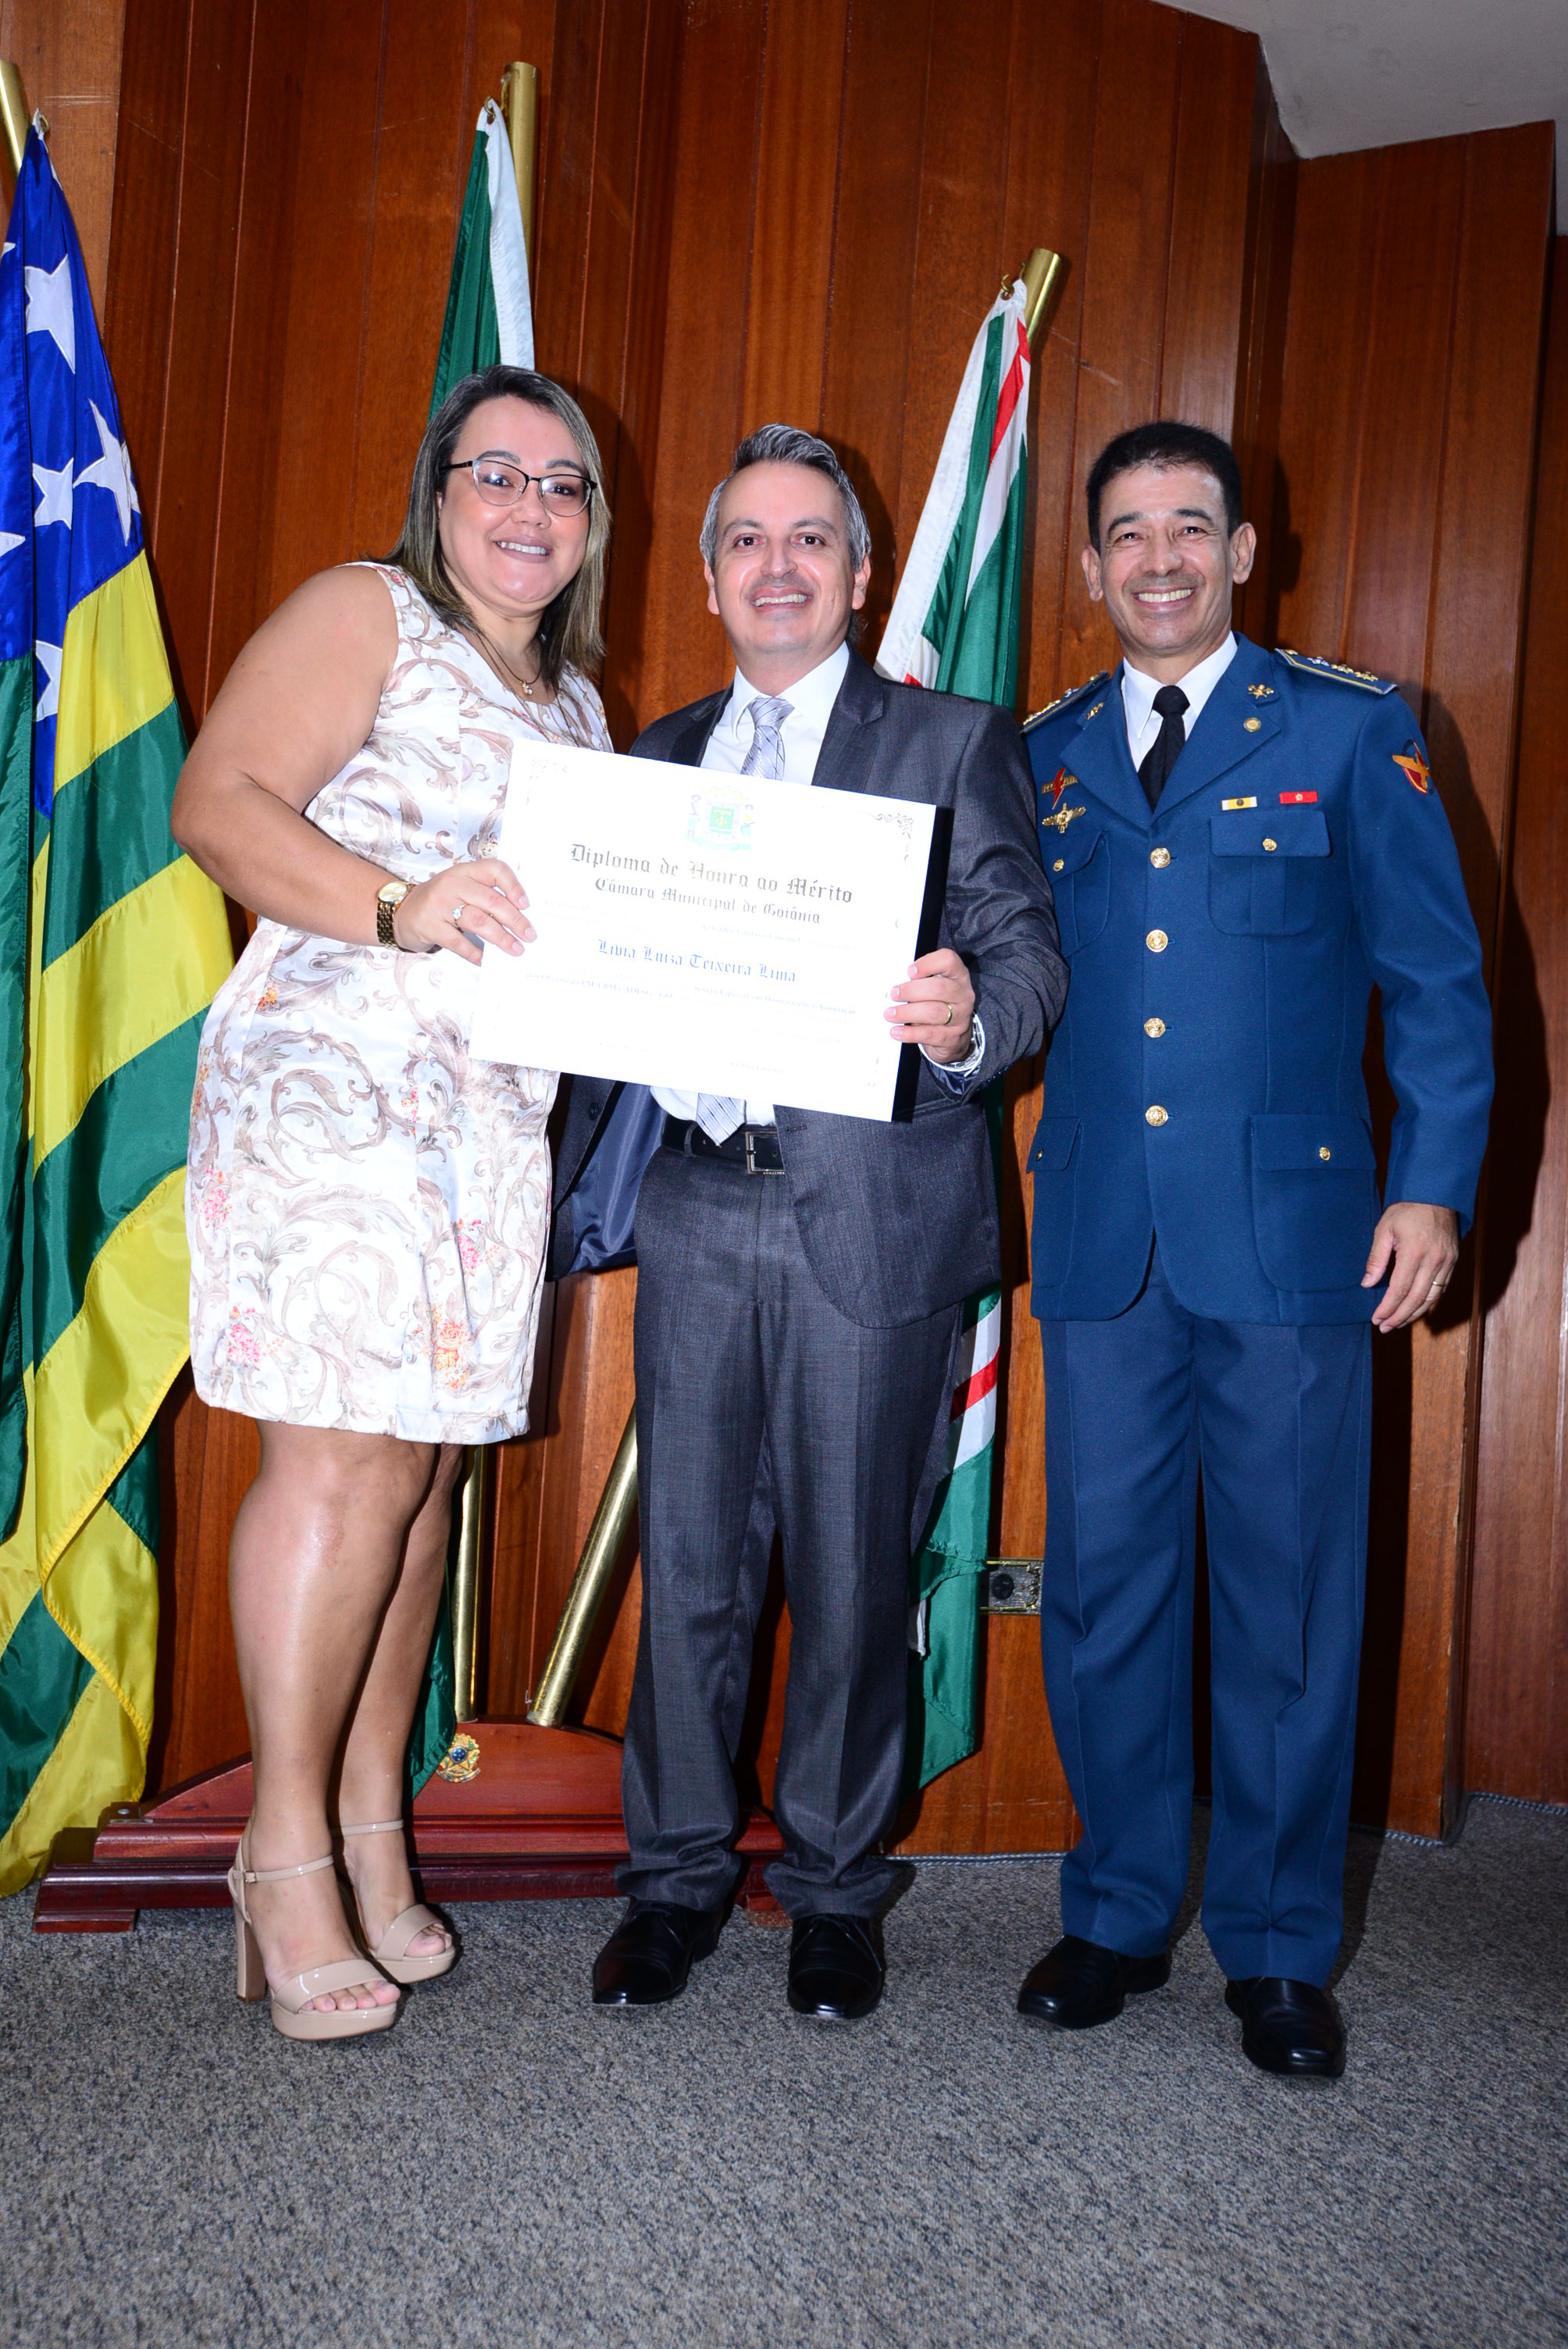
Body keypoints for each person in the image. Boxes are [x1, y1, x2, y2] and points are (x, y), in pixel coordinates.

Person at [555, 424, 1065, 2022]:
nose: (776, 566)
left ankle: (835, 1891)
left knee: (852, 1572)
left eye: (808, 540)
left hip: (875, 1211)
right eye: (746, 541)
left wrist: (967, 1015)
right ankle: (674, 1883)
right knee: (693, 1567)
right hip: (701, 1201)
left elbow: (1027, 956)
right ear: (709, 579)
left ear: (856, 575)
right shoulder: (651, 761)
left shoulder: (951, 741)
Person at [1017, 419, 1493, 2076]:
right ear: (1091, 565)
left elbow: (1436, 984)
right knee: (1104, 1591)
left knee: (1286, 1596)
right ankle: (1116, 1911)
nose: (1156, 557)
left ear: (1238, 552)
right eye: (1126, 532)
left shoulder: (1352, 732)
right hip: (1101, 1236)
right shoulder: (1043, 754)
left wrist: (1431, 1186)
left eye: (1187, 527)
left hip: (1296, 1240)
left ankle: (1280, 1946)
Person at [173, 366, 614, 2041]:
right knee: (341, 1465)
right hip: (333, 1092)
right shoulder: (366, 611)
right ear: (439, 496)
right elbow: (216, 803)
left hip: (486, 1129)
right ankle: (279, 1851)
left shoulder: (580, 709)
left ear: (592, 525)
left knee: (420, 1482)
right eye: (495, 472)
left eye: (561, 484)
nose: (527, 507)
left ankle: (368, 1820)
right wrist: (396, 902)